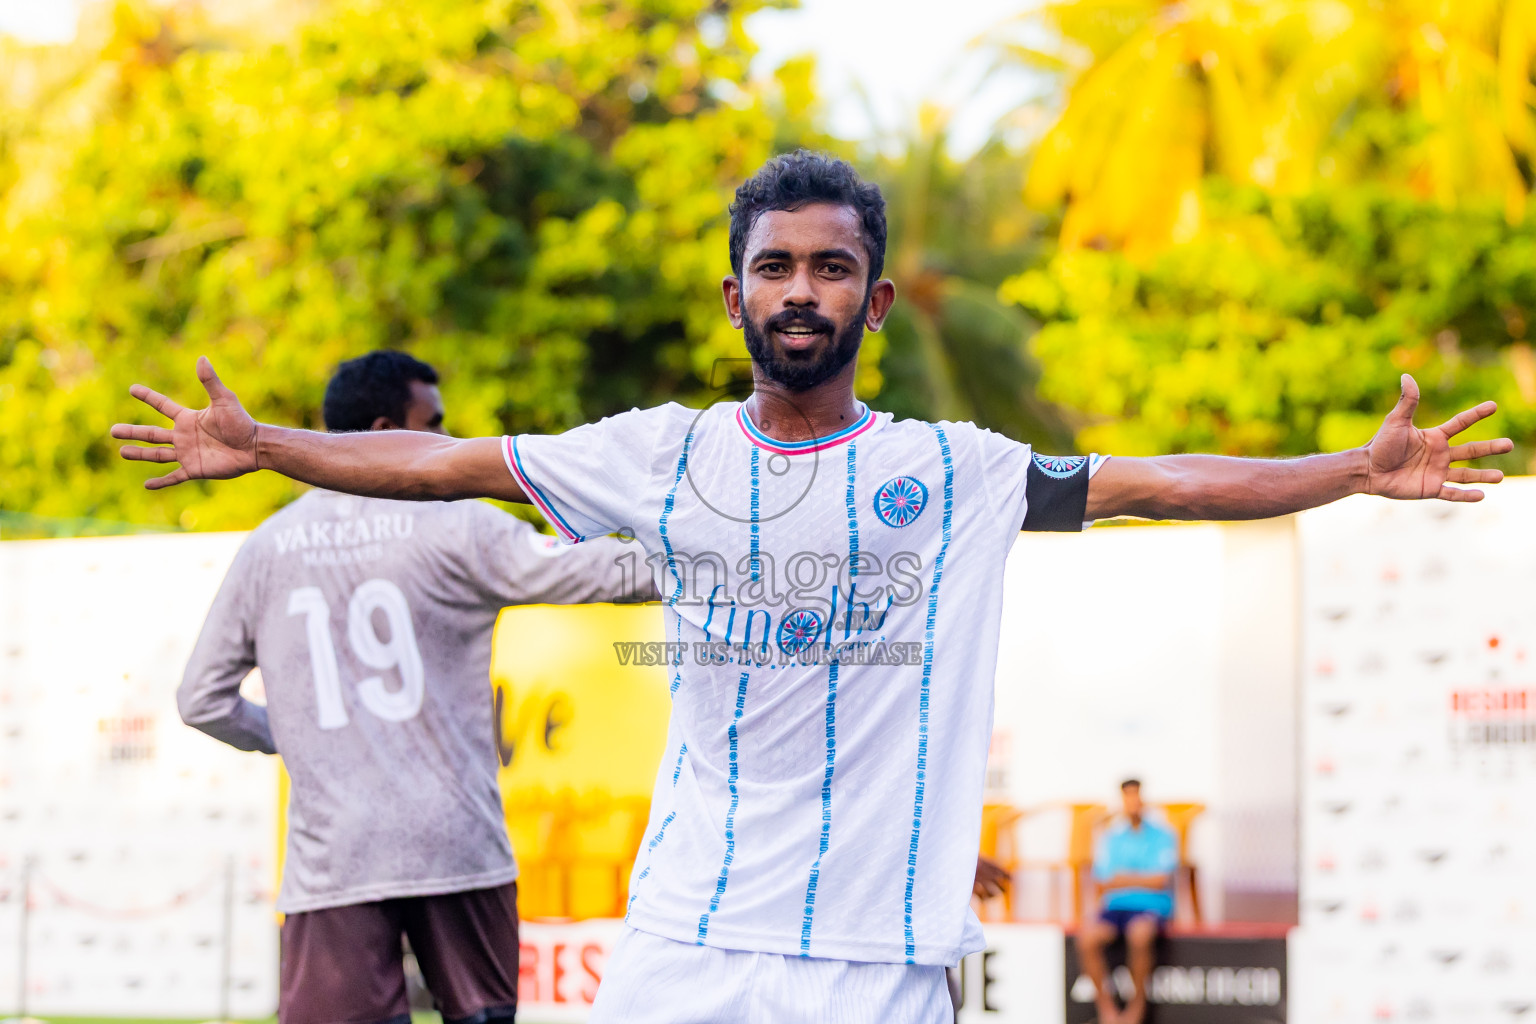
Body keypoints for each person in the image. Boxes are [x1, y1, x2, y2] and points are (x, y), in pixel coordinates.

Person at [115, 150, 1511, 1024]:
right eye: (773, 266)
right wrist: (263, 448)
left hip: (878, 957)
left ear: (876, 301)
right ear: (734, 298)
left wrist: (1346, 466)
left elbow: (1164, 478)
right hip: (685, 941)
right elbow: (443, 465)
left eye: (831, 268)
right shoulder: (654, 457)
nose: (801, 289)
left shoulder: (956, 470)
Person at [176, 350, 650, 1024]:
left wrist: (293, 737)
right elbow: (601, 574)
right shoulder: (457, 524)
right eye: (434, 427)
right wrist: (723, 549)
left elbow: (200, 699)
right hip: (457, 846)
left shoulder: (268, 547)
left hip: (334, 859)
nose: (451, 446)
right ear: (383, 431)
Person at [1077, 780, 1179, 1024]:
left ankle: (1136, 1008)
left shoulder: (1163, 835)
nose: (1133, 803)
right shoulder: (1112, 837)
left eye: (1136, 797)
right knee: (1087, 938)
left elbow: (1160, 881)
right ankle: (1107, 1010)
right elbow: (1102, 881)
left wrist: (1123, 877)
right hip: (1116, 906)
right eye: (1128, 797)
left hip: (1150, 906)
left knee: (1139, 934)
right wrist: (1140, 877)